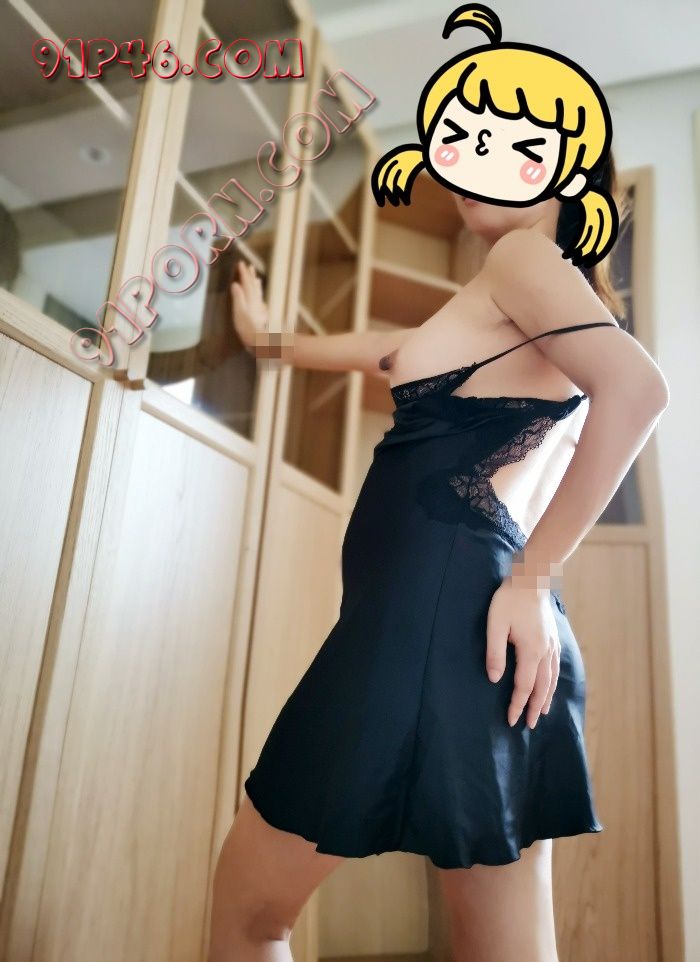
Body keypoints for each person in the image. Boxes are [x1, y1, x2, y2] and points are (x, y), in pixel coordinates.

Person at [206, 14, 670, 962]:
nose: (461, 164)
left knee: (248, 912)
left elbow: (641, 391)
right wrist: (268, 342)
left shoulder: (521, 261)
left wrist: (534, 576)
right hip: (476, 623)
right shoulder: (528, 295)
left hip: (438, 616)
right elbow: (389, 352)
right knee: (504, 947)